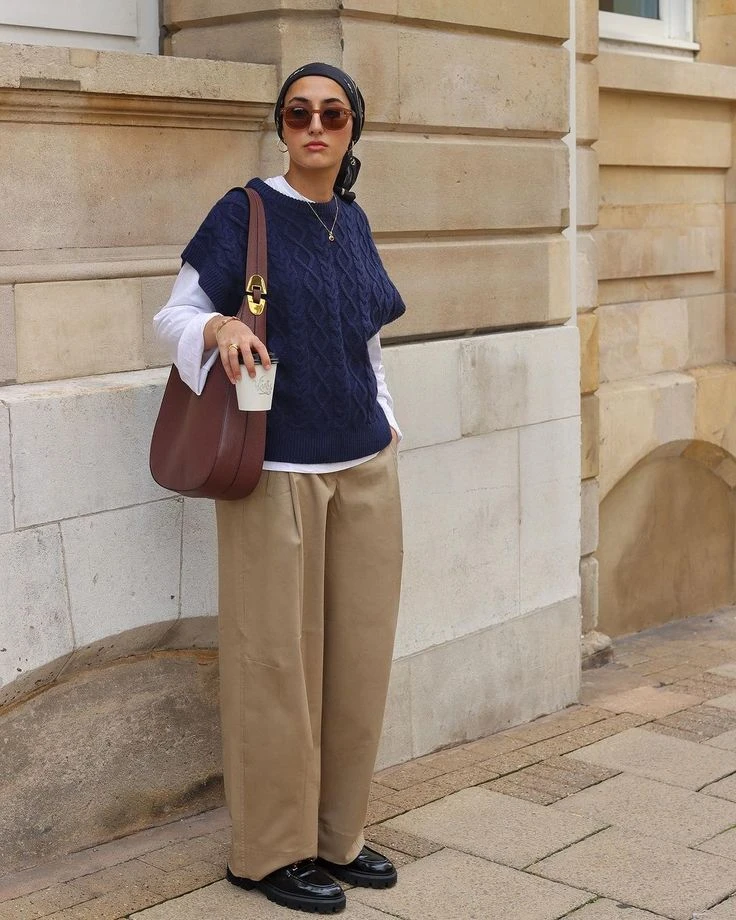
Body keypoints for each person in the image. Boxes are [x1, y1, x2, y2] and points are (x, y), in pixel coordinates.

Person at [153, 62, 405, 914]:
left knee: (357, 660)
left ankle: (337, 837)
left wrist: (388, 420)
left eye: (332, 114)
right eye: (299, 113)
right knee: (274, 664)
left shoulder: (352, 219)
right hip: (276, 469)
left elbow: (368, 339)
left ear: (352, 127)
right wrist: (220, 326)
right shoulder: (246, 211)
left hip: (364, 465)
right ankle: (267, 854)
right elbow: (173, 315)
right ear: (282, 126)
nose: (315, 127)